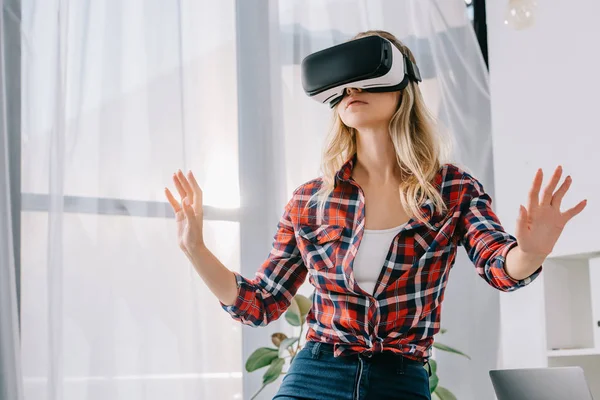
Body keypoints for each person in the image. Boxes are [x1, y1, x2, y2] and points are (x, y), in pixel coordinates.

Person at [164, 30, 587, 400]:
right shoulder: (310, 201)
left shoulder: (453, 190)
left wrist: (529, 253)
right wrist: (196, 249)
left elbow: (500, 266)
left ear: (402, 85)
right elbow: (259, 304)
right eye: (342, 83)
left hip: (400, 379)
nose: (351, 90)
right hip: (315, 374)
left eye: (364, 78)